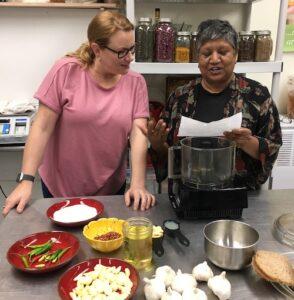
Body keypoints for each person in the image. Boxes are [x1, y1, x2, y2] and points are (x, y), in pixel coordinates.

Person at [2, 11, 155, 216]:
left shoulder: (135, 83)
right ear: (97, 49)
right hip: (61, 186)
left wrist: (137, 184)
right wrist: (26, 180)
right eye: (121, 52)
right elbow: (42, 127)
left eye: (132, 49)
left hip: (110, 186)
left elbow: (138, 135)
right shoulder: (66, 71)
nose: (129, 58)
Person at [148, 19, 282, 190]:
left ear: (235, 55)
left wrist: (247, 141)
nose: (214, 59)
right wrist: (158, 144)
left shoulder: (257, 95)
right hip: (188, 194)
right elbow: (168, 157)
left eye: (222, 52)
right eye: (206, 53)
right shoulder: (180, 97)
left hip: (240, 196)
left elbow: (272, 147)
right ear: (198, 59)